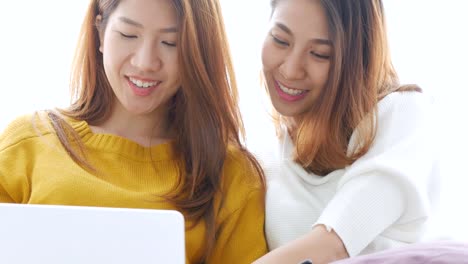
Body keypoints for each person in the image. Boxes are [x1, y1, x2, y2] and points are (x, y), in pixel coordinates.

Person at [0, 0, 267, 263]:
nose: (145, 63)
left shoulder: (230, 175)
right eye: (129, 35)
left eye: (170, 43)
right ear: (101, 33)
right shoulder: (28, 144)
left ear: (198, 51)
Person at [253, 0, 439, 263]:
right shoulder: (265, 149)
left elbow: (334, 245)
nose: (291, 69)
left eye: (319, 54)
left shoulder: (402, 114)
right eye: (280, 40)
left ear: (358, 59)